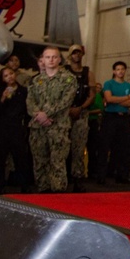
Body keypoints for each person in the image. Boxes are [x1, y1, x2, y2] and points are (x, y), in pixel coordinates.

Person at [26, 46, 78, 193]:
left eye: (54, 57)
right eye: (47, 57)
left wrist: (46, 114)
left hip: (58, 127)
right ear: (43, 59)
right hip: (38, 127)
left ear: (59, 59)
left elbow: (65, 101)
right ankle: (43, 192)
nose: (51, 60)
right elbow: (30, 102)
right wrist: (39, 115)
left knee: (57, 162)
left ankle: (58, 193)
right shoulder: (36, 81)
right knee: (40, 162)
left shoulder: (68, 79)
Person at [0, 66, 32, 194]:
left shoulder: (23, 91)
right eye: (6, 75)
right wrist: (3, 97)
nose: (10, 77)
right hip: (0, 128)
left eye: (11, 74)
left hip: (16, 127)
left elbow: (26, 110)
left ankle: (24, 185)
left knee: (21, 157)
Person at [65, 44, 96, 192]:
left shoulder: (88, 73)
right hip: (64, 114)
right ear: (69, 56)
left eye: (79, 53)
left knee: (78, 147)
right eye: (74, 53)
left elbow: (92, 94)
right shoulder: (63, 72)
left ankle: (78, 178)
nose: (77, 56)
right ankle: (62, 178)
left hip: (81, 113)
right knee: (62, 148)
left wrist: (81, 108)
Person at [99, 61, 130, 184]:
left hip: (123, 118)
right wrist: (125, 98)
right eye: (118, 69)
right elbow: (108, 98)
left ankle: (121, 175)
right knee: (105, 146)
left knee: (123, 147)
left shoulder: (129, 86)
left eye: (122, 69)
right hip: (110, 117)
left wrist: (116, 100)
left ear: (125, 71)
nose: (120, 71)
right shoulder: (108, 83)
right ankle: (101, 176)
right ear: (114, 71)